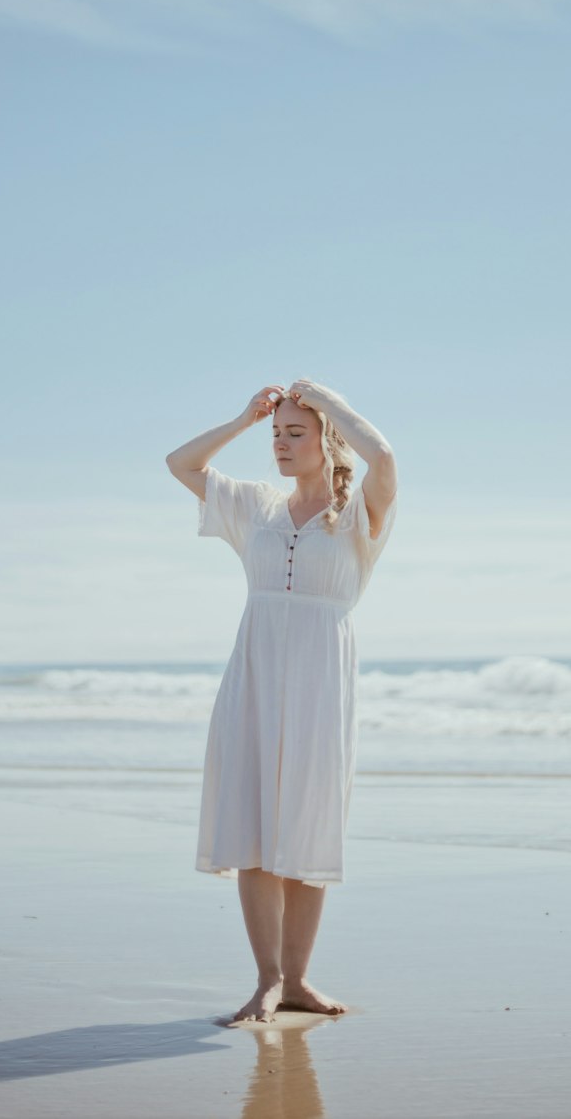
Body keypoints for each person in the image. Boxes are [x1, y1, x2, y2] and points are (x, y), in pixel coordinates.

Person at [165, 378, 397, 1025]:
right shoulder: (257, 508)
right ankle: (267, 980)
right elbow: (180, 463)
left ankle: (298, 979)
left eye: (297, 433)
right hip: (256, 680)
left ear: (328, 439)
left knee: (309, 826)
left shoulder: (357, 516)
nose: (281, 444)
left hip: (323, 683)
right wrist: (245, 417)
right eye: (277, 434)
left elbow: (385, 458)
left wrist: (328, 400)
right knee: (255, 829)